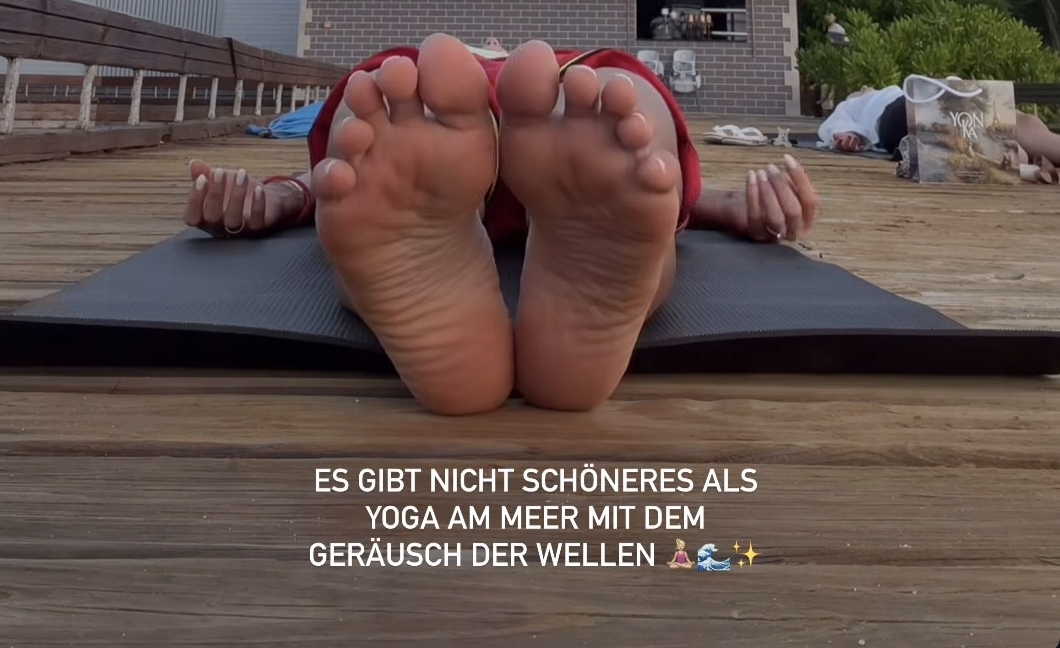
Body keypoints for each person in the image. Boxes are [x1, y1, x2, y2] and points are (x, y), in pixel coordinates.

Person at [183, 34, 818, 416]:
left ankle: (386, 283)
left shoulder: (443, 84)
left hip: (442, 147)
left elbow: (331, 181)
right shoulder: (567, 81)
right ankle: (629, 290)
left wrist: (285, 195)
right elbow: (662, 197)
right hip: (557, 141)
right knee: (622, 100)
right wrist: (712, 205)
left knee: (384, 102)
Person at [819, 79, 1060, 179]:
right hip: (914, 106)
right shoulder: (863, 99)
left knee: (1016, 125)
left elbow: (834, 124)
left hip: (906, 109)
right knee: (1019, 124)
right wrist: (847, 136)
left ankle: (1021, 158)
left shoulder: (865, 99)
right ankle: (1027, 154)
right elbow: (837, 125)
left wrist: (846, 135)